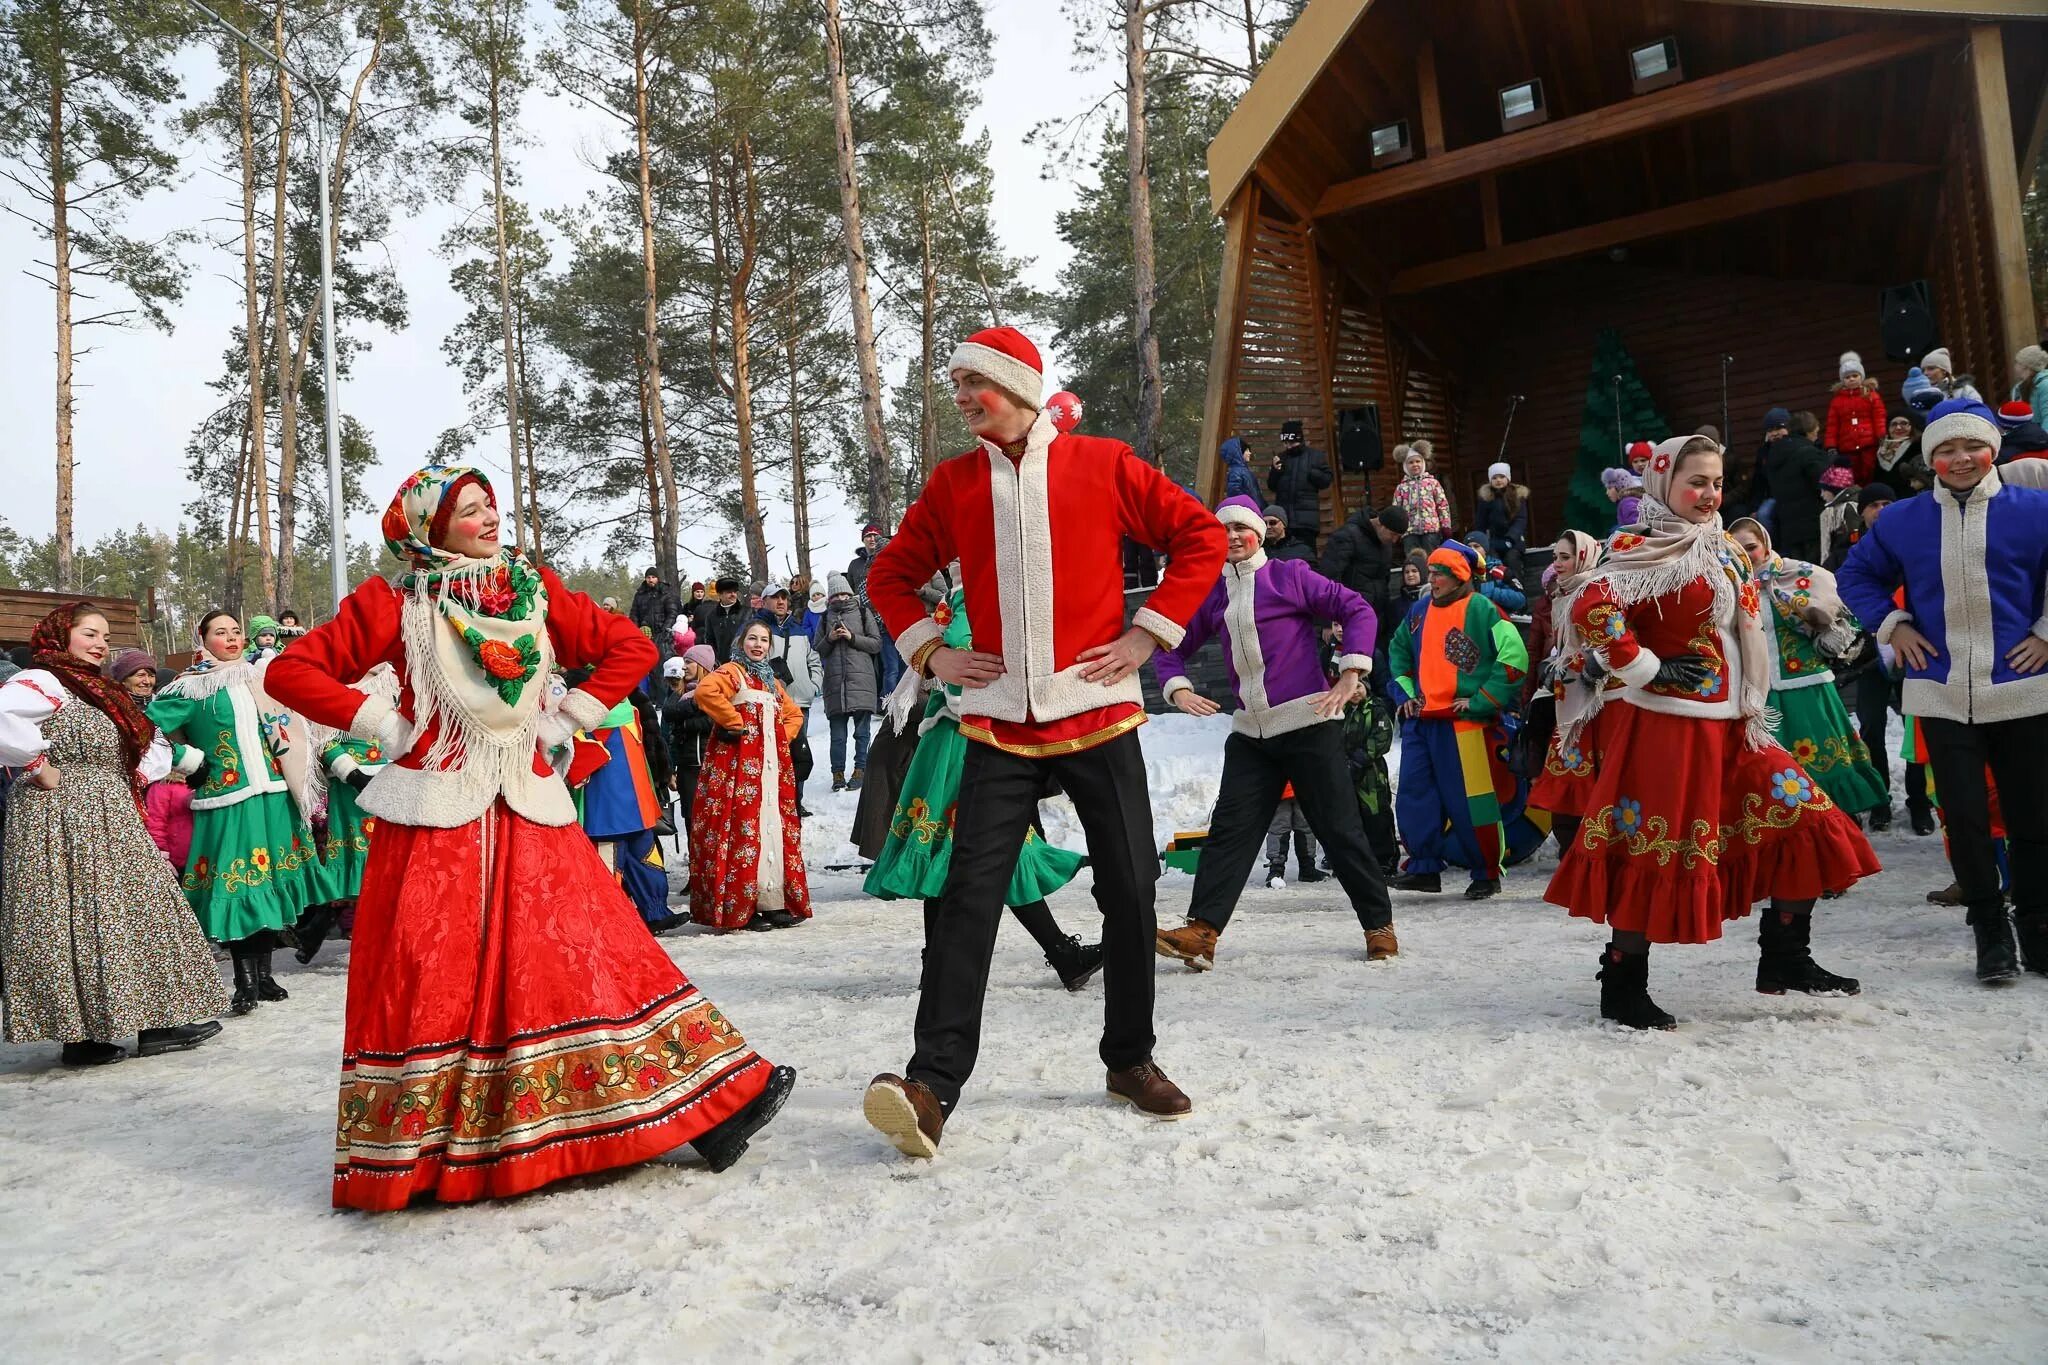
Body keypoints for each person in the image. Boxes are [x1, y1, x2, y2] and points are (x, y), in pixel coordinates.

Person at [266, 465, 793, 1206]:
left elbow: (629, 650)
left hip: (529, 809)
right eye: (469, 510)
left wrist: (568, 716)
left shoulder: (532, 588)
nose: (489, 518)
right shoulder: (394, 601)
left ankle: (716, 1105)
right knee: (439, 974)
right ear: (430, 527)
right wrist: (382, 723)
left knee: (596, 952)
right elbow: (292, 670)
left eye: (490, 505)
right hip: (439, 819)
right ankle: (436, 1150)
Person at [860, 324, 1227, 1156]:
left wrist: (1146, 636)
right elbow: (889, 575)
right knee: (964, 902)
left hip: (1096, 716)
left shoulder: (1102, 463)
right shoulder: (955, 483)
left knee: (1131, 889)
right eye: (954, 383)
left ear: (1018, 385)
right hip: (995, 724)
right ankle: (932, 1085)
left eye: (972, 383)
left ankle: (1130, 1058)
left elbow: (1199, 538)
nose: (959, 398)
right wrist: (930, 647)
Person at [1545, 436, 1877, 1029]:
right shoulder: (1636, 547)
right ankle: (1622, 983)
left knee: (1809, 818)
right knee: (1657, 850)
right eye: (1696, 481)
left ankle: (1785, 959)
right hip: (1663, 727)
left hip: (1736, 723)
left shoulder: (1722, 546)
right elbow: (1591, 607)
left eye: (1718, 482)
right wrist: (1647, 665)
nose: (1709, 494)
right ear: (1663, 483)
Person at [1839, 398, 2048, 983]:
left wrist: (2046, 634)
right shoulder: (1904, 520)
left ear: (1993, 450)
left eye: (1971, 447)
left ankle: (2037, 925)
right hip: (1942, 691)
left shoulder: (2035, 509)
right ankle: (1990, 934)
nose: (1960, 459)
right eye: (1946, 449)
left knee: (2034, 817)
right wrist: (1894, 624)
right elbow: (1855, 576)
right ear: (1930, 457)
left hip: (2024, 688)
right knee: (1965, 816)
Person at [1152, 495, 1394, 970]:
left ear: (1259, 535)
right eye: (1224, 531)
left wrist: (1351, 672)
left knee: (1339, 830)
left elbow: (1358, 609)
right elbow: (1168, 641)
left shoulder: (1290, 577)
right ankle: (1202, 932)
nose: (1234, 538)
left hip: (1308, 724)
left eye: (1242, 529)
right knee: (1229, 832)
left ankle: (1378, 925)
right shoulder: (1213, 593)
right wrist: (1177, 689)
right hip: (1251, 735)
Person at [0, 603, 229, 1067]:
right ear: (61, 636)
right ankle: (82, 1036)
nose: (100, 643)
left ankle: (153, 1022)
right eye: (89, 633)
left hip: (110, 810)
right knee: (71, 919)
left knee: (134, 909)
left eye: (104, 635)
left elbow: (144, 745)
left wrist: (184, 764)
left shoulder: (99, 691)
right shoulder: (46, 680)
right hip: (59, 815)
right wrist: (37, 764)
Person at [863, 584, 1105, 991]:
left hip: (965, 737)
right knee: (980, 848)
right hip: (964, 738)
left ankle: (1051, 954)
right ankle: (1059, 953)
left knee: (969, 850)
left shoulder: (967, 595)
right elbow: (961, 655)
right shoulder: (969, 597)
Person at [149, 611, 340, 1014]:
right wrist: (188, 759)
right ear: (202, 639)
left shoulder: (261, 679)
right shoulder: (190, 689)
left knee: (268, 886)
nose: (232, 638)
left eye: (236, 631)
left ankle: (265, 976)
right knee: (240, 888)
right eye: (221, 633)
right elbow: (144, 731)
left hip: (274, 796)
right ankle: (244, 980)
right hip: (229, 801)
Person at [1383, 540, 1530, 900]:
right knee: (1415, 796)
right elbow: (1398, 651)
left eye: (1439, 574)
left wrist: (1481, 701)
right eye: (1431, 572)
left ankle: (1486, 872)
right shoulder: (1418, 611)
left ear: (1459, 578)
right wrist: (1405, 693)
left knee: (1472, 802)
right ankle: (1424, 868)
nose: (1431, 579)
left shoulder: (1485, 611)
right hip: (1422, 723)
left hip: (1466, 726)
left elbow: (1515, 661)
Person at [1727, 519, 1888, 821]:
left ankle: (1838, 824)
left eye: (1751, 547)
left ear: (1765, 543)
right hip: (1758, 692)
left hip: (1807, 686)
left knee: (1823, 762)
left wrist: (1828, 644)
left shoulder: (1797, 574)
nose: (1747, 556)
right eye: (1738, 550)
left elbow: (1842, 613)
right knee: (1772, 768)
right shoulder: (1727, 587)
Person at [689, 619, 809, 931]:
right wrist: (734, 722)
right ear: (742, 641)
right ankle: (742, 905)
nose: (758, 645)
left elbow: (794, 714)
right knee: (742, 825)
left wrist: (779, 735)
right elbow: (705, 691)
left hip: (770, 768)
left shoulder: (771, 682)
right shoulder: (732, 672)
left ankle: (771, 901)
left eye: (764, 640)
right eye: (752, 639)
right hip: (738, 767)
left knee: (770, 826)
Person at [1524, 533, 1606, 854]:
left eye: (1565, 557)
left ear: (1584, 557)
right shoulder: (1562, 595)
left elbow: (1607, 650)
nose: (1556, 564)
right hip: (1566, 702)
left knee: (1591, 793)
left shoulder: (1596, 594)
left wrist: (1569, 666)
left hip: (1596, 709)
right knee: (1567, 798)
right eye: (1555, 556)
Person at [758, 582, 820, 809]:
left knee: (798, 754)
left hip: (799, 701)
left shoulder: (799, 629)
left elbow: (813, 660)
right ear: (764, 601)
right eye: (775, 597)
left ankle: (796, 802)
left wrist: (813, 685)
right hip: (770, 703)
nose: (781, 602)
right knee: (771, 755)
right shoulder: (756, 628)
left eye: (784, 598)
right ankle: (772, 803)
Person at [819, 571, 881, 791]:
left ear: (850, 594)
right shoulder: (825, 617)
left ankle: (860, 770)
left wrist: (852, 638)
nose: (840, 599)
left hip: (862, 682)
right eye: (836, 596)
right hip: (835, 685)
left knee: (861, 732)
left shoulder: (864, 613)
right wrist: (830, 638)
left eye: (844, 594)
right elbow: (818, 649)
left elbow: (876, 644)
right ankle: (837, 774)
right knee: (837, 736)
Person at [664, 645, 717, 851]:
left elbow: (713, 721)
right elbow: (668, 713)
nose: (683, 666)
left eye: (688, 662)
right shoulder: (680, 690)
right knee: (691, 822)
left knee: (711, 822)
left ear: (702, 665)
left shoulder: (715, 688)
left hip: (710, 763)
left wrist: (685, 723)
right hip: (687, 766)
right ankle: (694, 875)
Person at [1765, 410, 1829, 561]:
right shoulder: (1809, 454)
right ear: (1810, 431)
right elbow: (1823, 484)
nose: (1817, 435)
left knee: (1798, 574)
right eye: (1816, 431)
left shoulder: (1774, 454)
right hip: (1813, 523)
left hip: (1788, 525)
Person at [1265, 420, 1331, 554]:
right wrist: (1275, 471)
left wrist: (1312, 472)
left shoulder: (1315, 456)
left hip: (1306, 522)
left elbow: (1326, 480)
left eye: (1292, 442)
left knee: (1307, 558)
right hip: (1284, 522)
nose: (1289, 446)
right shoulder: (1281, 458)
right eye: (1286, 443)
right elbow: (1272, 486)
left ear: (1300, 439)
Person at [1825, 352, 1888, 485]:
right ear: (1843, 380)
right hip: (1847, 446)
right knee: (1853, 475)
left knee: (1870, 470)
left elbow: (1879, 416)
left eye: (1855, 375)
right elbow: (1832, 424)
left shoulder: (1871, 396)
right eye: (1847, 377)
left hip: (1869, 444)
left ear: (1861, 376)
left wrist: (1881, 435)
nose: (1851, 379)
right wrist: (1831, 445)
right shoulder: (1837, 401)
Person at [1473, 462, 1530, 581]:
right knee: (1493, 563)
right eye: (1494, 478)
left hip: (1514, 541)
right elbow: (1481, 522)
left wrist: (1510, 539)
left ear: (1508, 478)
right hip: (1493, 541)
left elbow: (1521, 519)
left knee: (1512, 559)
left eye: (1502, 477)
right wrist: (1481, 542)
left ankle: (1517, 587)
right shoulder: (1486, 499)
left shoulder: (1517, 496)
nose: (1498, 480)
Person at [1392, 445, 1452, 555]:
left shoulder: (1432, 483)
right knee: (1413, 559)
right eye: (1411, 462)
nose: (1415, 464)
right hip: (1409, 532)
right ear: (1405, 466)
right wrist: (1396, 531)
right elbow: (1396, 511)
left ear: (1423, 463)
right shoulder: (1401, 488)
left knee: (1431, 559)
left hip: (1431, 530)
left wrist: (1446, 526)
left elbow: (1442, 505)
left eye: (1418, 461)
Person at [629, 566, 683, 661]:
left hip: (662, 635)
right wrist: (636, 631)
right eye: (648, 577)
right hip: (643, 635)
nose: (651, 580)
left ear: (657, 578)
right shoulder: (640, 594)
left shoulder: (665, 593)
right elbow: (634, 614)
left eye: (653, 577)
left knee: (660, 663)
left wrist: (665, 630)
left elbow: (672, 613)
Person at [2011, 344, 2048, 428]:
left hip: (2041, 438)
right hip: (2029, 436)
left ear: (2025, 366)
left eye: (2017, 362)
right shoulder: (2018, 388)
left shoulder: (2045, 385)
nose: (2014, 366)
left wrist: (2043, 440)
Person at [1218, 436, 1259, 502]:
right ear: (1239, 452)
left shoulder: (1244, 471)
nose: (1250, 453)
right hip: (1246, 509)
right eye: (1247, 450)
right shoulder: (1236, 472)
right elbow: (1234, 493)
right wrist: (1248, 503)